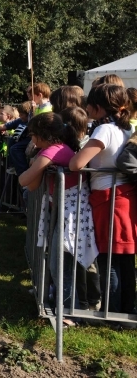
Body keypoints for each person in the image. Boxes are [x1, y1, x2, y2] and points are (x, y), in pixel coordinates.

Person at [19, 112, 98, 316]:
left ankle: (71, 310)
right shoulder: (54, 150)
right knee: (60, 264)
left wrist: (34, 166)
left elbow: (24, 180)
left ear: (43, 135)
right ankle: (69, 308)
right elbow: (34, 185)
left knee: (60, 265)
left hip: (70, 215)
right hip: (64, 212)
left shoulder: (53, 151)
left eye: (33, 135)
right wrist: (37, 167)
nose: (31, 139)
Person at [69, 84, 136, 314]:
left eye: (89, 104)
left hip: (110, 200)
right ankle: (125, 310)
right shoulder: (126, 128)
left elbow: (76, 164)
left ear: (98, 107)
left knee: (110, 262)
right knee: (125, 260)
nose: (86, 108)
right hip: (123, 197)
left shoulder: (104, 129)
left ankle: (113, 311)